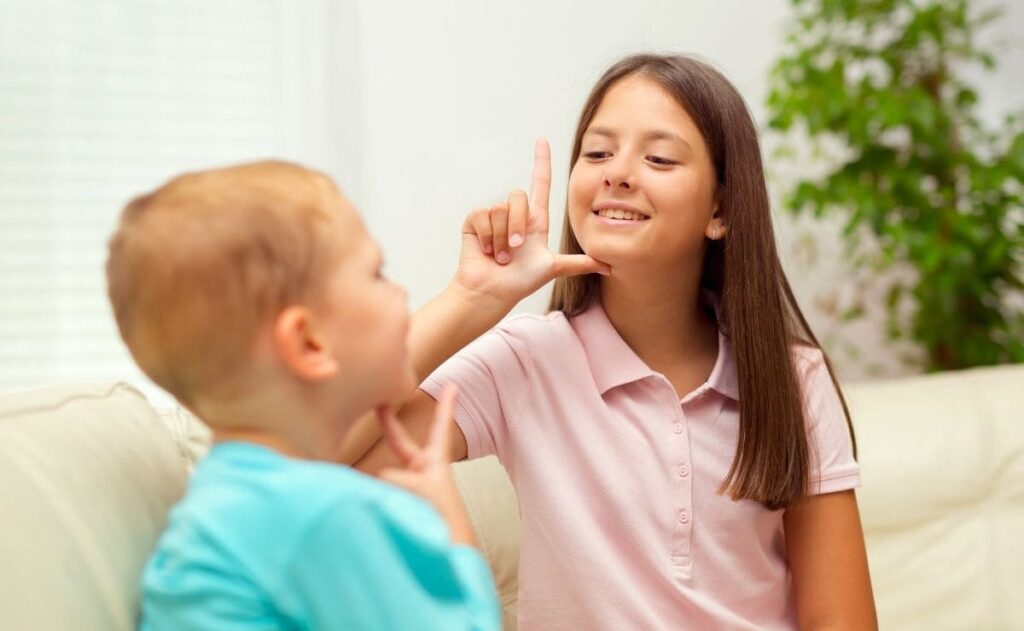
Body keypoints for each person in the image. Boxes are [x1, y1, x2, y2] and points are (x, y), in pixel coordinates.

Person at [347, 53, 877, 630]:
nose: (617, 173)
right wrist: (470, 299)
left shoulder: (792, 378)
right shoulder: (526, 362)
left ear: (721, 209)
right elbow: (323, 450)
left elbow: (841, 619)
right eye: (598, 152)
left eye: (659, 157)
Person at [106, 161, 501, 630]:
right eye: (377, 273)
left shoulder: (219, 505)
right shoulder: (327, 513)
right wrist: (451, 526)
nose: (401, 292)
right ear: (309, 343)